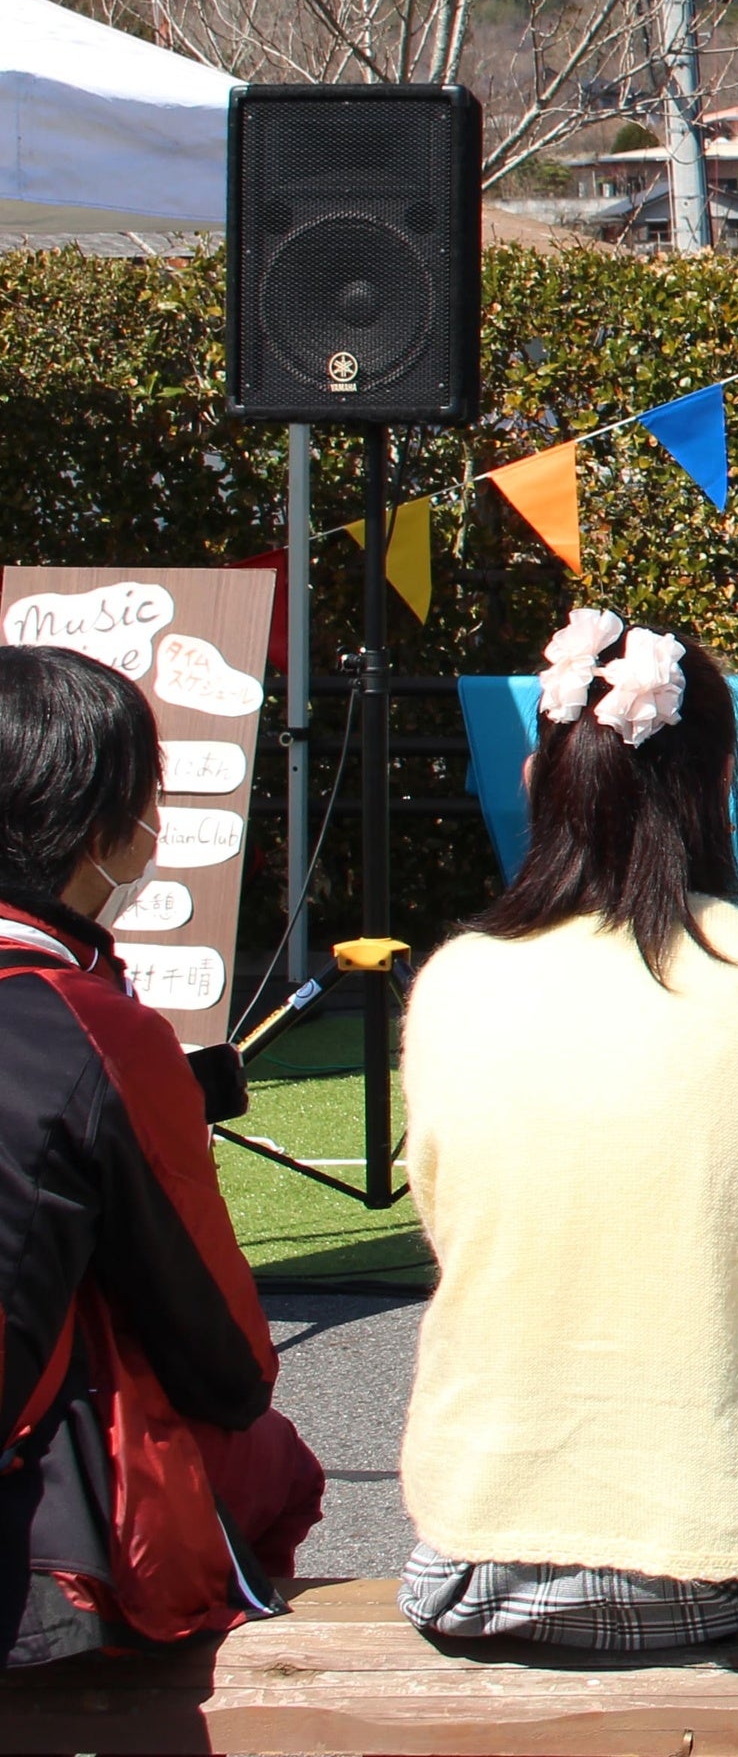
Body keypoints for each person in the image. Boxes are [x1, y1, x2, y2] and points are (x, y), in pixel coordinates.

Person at [397, 611, 738, 1757]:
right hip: (735, 1551)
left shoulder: (458, 984)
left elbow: (454, 1231)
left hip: (478, 1545)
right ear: (719, 780)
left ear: (539, 773)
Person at [0, 645, 321, 1668]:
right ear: (98, 824)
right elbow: (224, 1356)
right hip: (37, 1541)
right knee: (275, 1461)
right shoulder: (95, 1028)